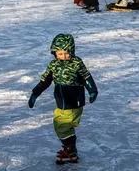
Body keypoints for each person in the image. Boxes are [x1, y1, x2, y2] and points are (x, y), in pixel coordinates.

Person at [28, 33, 98, 164]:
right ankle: (70, 148)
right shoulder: (53, 65)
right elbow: (45, 81)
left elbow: (86, 78)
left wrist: (92, 91)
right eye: (60, 54)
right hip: (61, 101)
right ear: (54, 53)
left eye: (67, 53)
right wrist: (35, 93)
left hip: (74, 100)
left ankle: (70, 150)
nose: (64, 57)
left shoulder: (77, 63)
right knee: (60, 124)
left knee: (63, 126)